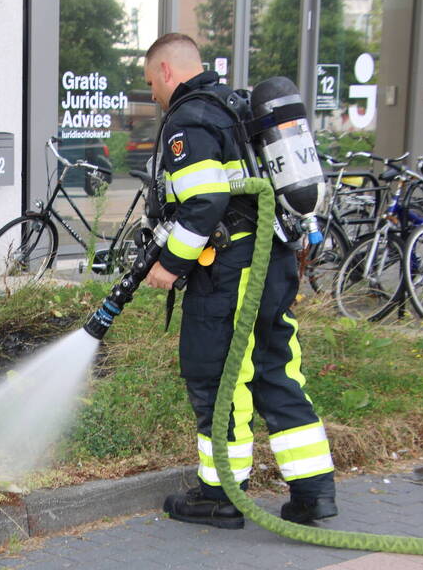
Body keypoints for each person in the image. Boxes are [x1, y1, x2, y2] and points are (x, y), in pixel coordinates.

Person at [142, 34, 337, 530]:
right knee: (276, 369)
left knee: (218, 376)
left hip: (230, 269)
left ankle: (220, 496)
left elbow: (204, 201)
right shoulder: (236, 106)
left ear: (166, 70)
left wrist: (170, 264)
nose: (153, 95)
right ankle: (314, 493)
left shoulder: (191, 118)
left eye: (150, 83)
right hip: (274, 259)